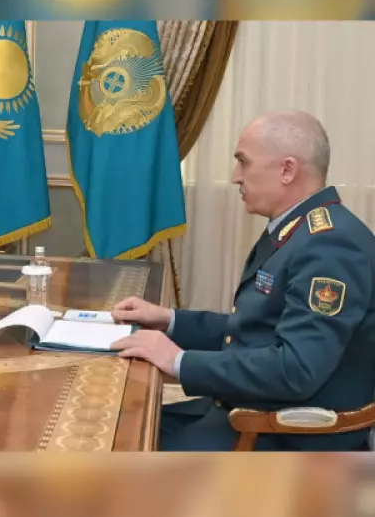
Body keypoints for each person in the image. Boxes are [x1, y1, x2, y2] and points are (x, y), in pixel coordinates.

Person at [110, 110, 375, 451]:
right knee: (120, 423)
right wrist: (170, 320)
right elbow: (255, 330)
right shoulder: (298, 229)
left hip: (287, 433)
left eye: (243, 162)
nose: (236, 177)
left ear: (287, 170)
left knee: (119, 453)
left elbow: (296, 370)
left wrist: (178, 361)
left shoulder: (329, 245)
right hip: (250, 408)